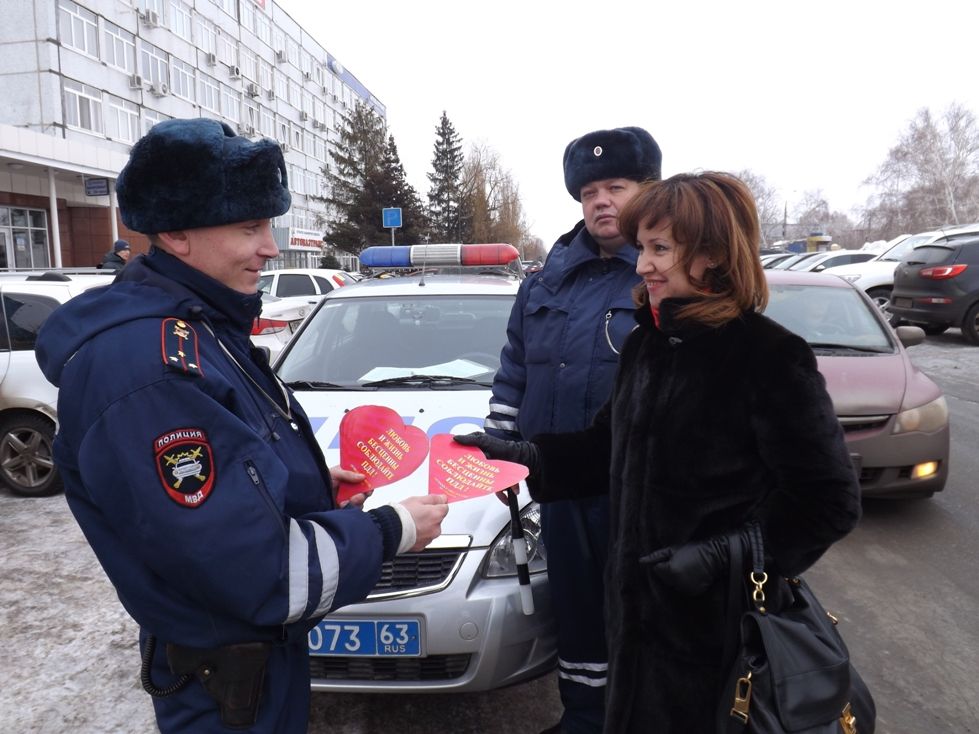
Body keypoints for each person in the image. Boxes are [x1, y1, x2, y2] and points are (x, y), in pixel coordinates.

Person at [35, 118, 448, 734]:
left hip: (251, 671)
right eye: (249, 227)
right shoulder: (151, 370)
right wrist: (392, 530)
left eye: (269, 225)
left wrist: (304, 484)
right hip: (224, 689)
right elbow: (258, 577)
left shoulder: (202, 328)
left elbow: (236, 466)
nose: (271, 247)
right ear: (175, 232)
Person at [457, 172, 862, 733]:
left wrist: (723, 556)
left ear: (714, 256)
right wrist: (525, 456)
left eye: (659, 249)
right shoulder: (648, 345)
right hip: (636, 618)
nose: (642, 263)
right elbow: (607, 447)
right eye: (643, 247)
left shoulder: (768, 358)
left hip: (714, 630)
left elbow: (829, 501)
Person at [482, 126, 661, 734]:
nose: (602, 201)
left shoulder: (663, 274)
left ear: (648, 190)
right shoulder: (546, 280)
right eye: (589, 191)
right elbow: (514, 367)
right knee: (578, 609)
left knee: (642, 609)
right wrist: (500, 448)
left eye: (616, 186)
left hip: (640, 487)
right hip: (557, 484)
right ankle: (585, 718)